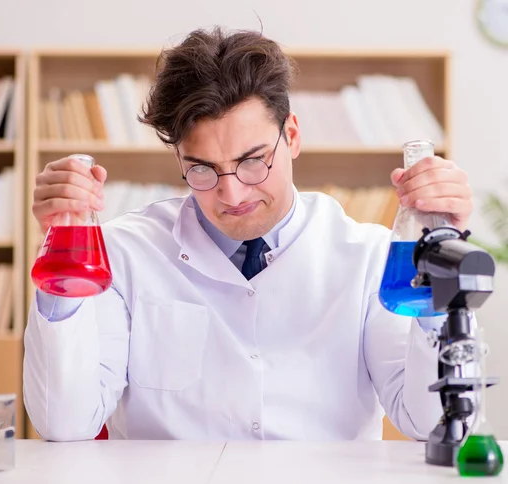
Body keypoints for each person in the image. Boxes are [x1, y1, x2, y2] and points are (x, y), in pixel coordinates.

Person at [23, 26, 474, 442]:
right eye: (201, 169)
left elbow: (430, 422)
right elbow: (64, 424)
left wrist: (441, 261)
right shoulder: (125, 251)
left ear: (291, 136)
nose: (231, 191)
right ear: (179, 161)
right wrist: (59, 267)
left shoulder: (367, 255)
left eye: (254, 160)